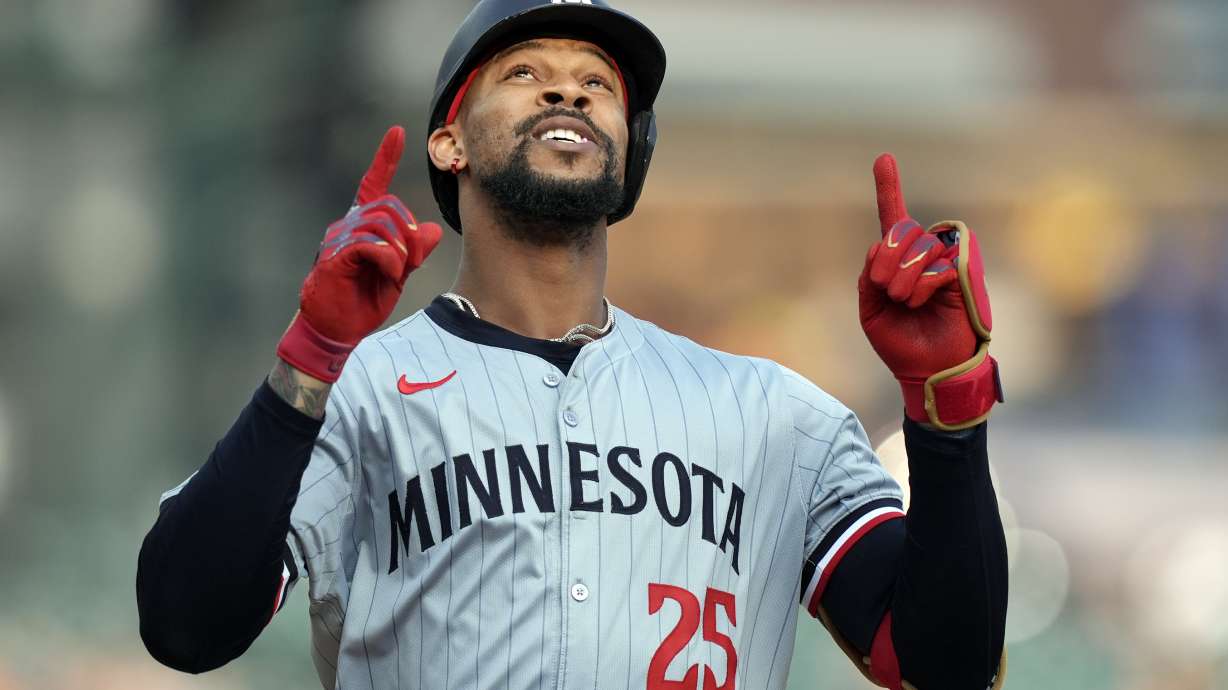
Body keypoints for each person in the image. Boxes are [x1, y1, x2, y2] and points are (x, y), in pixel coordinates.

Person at [136, 1, 1008, 688]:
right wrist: (311, 357)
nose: (570, 92)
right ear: (448, 142)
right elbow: (183, 623)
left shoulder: (773, 415)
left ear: (632, 152)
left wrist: (950, 414)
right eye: (525, 72)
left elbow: (943, 663)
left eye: (598, 81)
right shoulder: (360, 392)